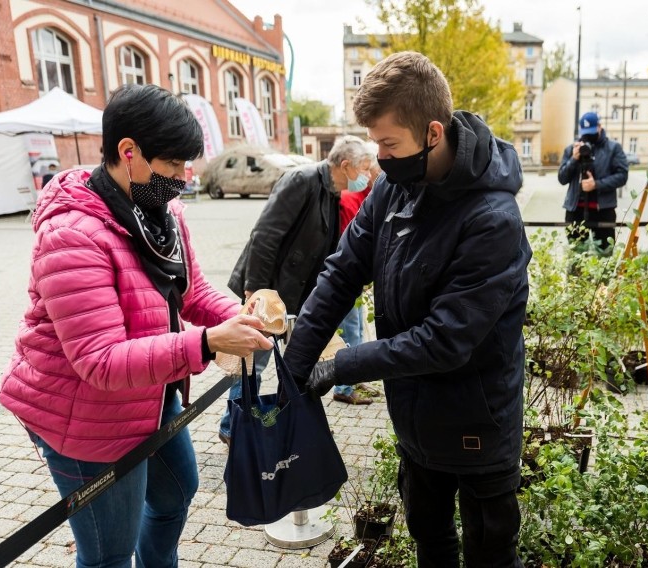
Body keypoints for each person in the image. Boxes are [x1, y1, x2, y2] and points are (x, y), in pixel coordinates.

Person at [0, 84, 271, 568]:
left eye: (189, 166)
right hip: (84, 420)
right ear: (129, 153)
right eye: (173, 167)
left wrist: (237, 317)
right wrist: (207, 343)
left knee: (176, 493)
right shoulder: (72, 236)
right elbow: (99, 363)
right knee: (109, 552)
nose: (184, 179)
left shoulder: (161, 215)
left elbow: (191, 292)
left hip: (149, 394)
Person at [283, 51, 531, 568]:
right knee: (429, 537)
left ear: (434, 133)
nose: (379, 158)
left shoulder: (492, 219)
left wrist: (344, 364)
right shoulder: (394, 189)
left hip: (477, 423)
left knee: (489, 552)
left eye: (389, 144)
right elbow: (343, 271)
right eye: (375, 144)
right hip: (415, 418)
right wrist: (295, 365)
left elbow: (445, 340)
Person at [218, 136, 377, 444]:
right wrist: (255, 290)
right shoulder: (301, 180)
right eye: (365, 167)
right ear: (346, 165)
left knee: (296, 359)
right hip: (270, 290)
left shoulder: (332, 192)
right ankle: (233, 425)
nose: (368, 175)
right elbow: (265, 236)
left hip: (297, 294)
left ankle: (288, 419)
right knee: (255, 358)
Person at [332, 146, 382, 404]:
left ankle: (354, 379)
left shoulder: (367, 195)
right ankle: (343, 387)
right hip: (348, 276)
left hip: (357, 277)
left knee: (358, 328)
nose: (373, 174)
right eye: (370, 169)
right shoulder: (351, 198)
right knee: (350, 329)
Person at [558, 112, 628, 252]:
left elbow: (622, 175)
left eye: (591, 132)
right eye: (585, 133)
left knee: (604, 254)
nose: (588, 136)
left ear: (599, 127)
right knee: (576, 256)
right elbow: (562, 178)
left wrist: (596, 184)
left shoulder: (613, 148)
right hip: (575, 210)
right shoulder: (572, 149)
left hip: (603, 210)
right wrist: (573, 159)